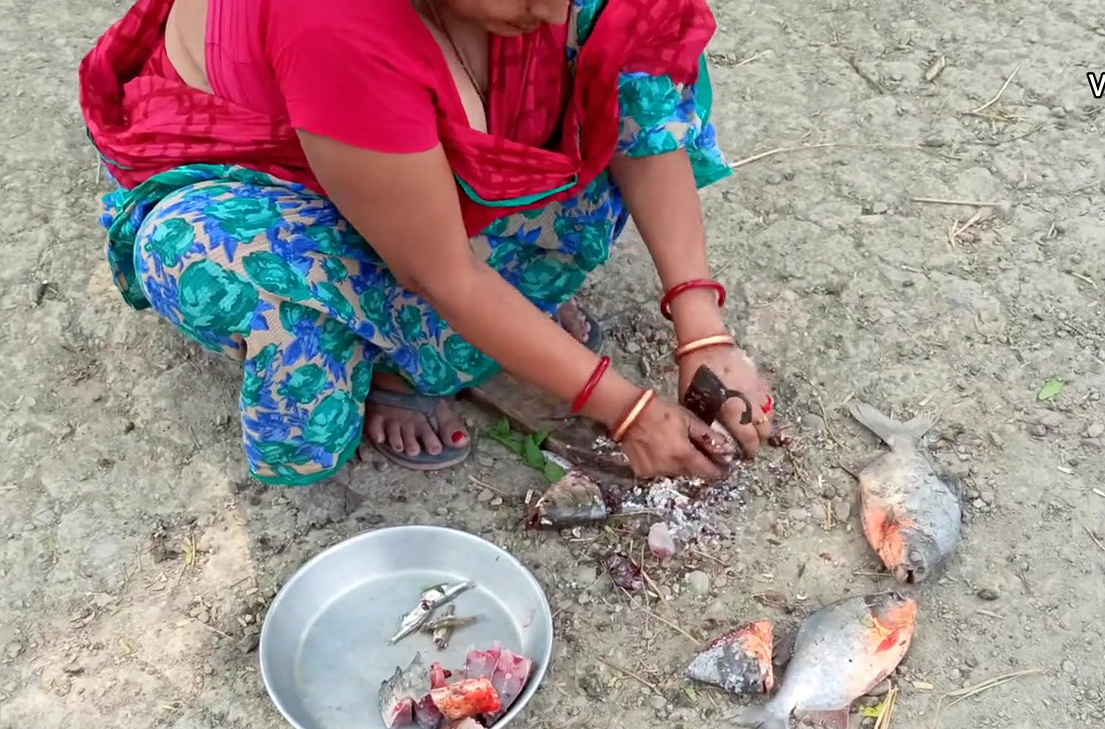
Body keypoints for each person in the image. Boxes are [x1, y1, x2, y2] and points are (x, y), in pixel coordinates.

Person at [79, 0, 775, 487]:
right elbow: (441, 272)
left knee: (619, 33)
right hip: (283, 178)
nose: (557, 15)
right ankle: (388, 356)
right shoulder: (336, 23)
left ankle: (485, 333)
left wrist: (703, 334)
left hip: (395, 157)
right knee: (208, 256)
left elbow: (637, 101)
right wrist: (625, 411)